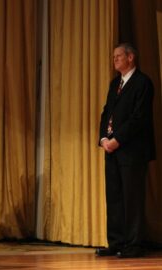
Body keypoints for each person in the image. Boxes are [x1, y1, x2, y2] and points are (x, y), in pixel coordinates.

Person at [97, 43, 155, 258]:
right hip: (112, 149)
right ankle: (116, 242)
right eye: (113, 57)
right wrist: (103, 137)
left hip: (132, 151)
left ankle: (133, 245)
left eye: (118, 56)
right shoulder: (115, 84)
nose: (115, 60)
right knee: (114, 197)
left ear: (131, 57)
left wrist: (118, 139)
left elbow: (139, 118)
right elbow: (106, 113)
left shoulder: (143, 83)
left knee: (132, 199)